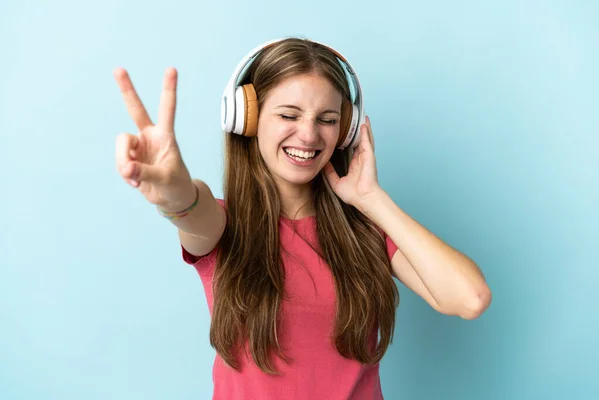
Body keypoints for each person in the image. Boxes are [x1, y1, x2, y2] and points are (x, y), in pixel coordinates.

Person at [114, 37, 491, 400]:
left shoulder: (367, 231)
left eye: (327, 119)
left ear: (344, 131)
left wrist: (373, 201)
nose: (309, 135)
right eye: (288, 115)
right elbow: (188, 206)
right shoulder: (224, 224)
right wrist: (172, 188)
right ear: (248, 118)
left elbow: (469, 298)